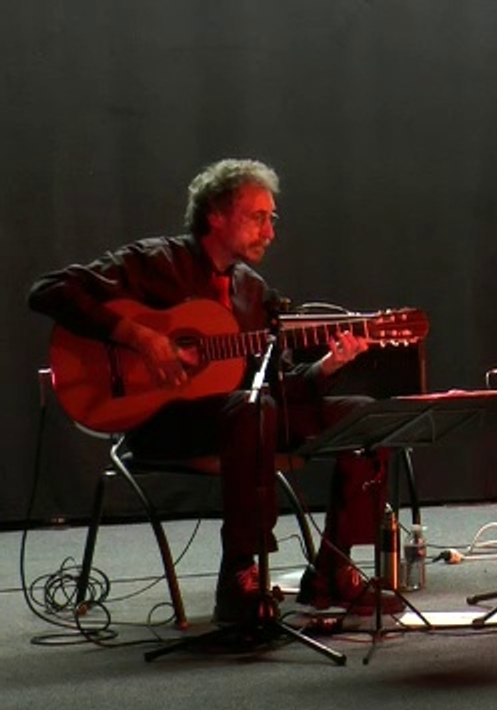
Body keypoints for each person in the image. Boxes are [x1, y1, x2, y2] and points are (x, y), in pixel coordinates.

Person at [28, 158, 403, 623]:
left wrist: (330, 363)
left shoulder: (253, 292)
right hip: (159, 423)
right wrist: (143, 338)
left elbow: (279, 384)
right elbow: (48, 290)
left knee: (362, 415)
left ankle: (334, 570)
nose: (270, 231)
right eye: (257, 217)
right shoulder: (157, 263)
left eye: (272, 218)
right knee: (252, 410)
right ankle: (240, 576)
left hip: (244, 419)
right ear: (216, 216)